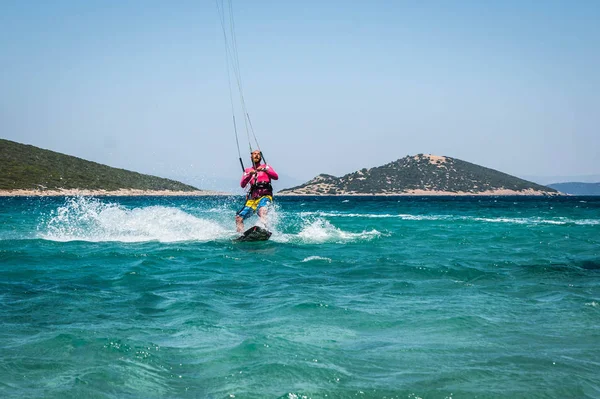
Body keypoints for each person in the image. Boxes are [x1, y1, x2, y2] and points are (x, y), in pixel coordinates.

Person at [236, 150, 279, 232]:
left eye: (259, 154)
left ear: (261, 157)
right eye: (255, 154)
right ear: (251, 157)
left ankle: (264, 230)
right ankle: (241, 235)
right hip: (253, 200)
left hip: (265, 196)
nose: (257, 155)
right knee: (238, 218)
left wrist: (264, 170)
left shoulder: (266, 167)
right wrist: (249, 175)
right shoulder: (248, 171)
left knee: (262, 211)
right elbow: (242, 185)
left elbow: (276, 177)